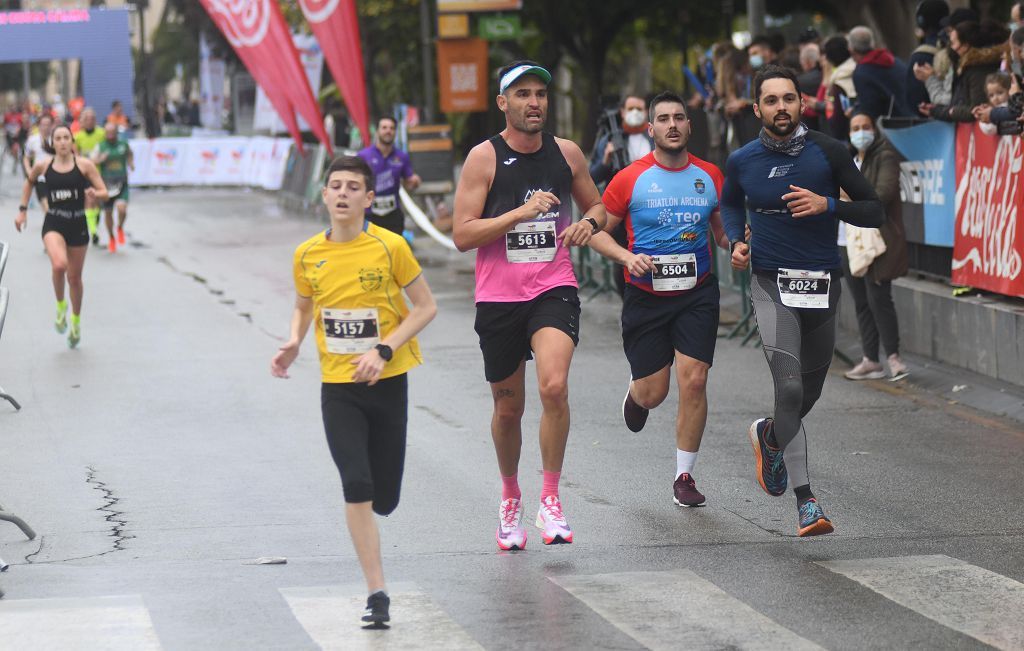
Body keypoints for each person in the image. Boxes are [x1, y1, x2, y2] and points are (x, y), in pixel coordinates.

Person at [270, 155, 437, 629]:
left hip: (388, 383)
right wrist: (292, 340)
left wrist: (384, 349)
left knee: (384, 497)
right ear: (323, 195)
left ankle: (379, 538)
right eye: (334, 186)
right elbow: (304, 307)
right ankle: (377, 592)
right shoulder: (307, 254)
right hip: (338, 389)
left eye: (352, 187)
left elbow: (425, 308)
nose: (342, 194)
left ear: (368, 198)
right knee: (357, 484)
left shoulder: (390, 248)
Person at [721, 65, 884, 537]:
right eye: (770, 101)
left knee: (807, 394)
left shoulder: (828, 152)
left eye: (788, 99)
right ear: (757, 109)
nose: (781, 108)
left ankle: (770, 435)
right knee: (789, 389)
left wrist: (827, 204)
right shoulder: (742, 160)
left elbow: (874, 210)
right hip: (771, 283)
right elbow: (732, 203)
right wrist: (736, 240)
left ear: (801, 104)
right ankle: (806, 502)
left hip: (821, 283)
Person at [452, 60, 607, 550]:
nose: (534, 102)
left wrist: (592, 225)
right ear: (503, 103)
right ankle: (510, 497)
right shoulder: (484, 157)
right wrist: (519, 212)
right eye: (522, 94)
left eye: (540, 93)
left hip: (552, 286)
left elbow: (598, 206)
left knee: (555, 387)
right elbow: (461, 234)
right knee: (508, 409)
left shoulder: (567, 154)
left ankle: (551, 500)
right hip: (498, 296)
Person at [588, 91, 729, 507]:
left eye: (679, 118)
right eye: (663, 118)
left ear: (689, 126)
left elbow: (723, 233)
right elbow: (597, 231)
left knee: (696, 378)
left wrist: (738, 245)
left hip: (697, 292)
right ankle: (637, 392)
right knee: (655, 394)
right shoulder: (630, 178)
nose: (672, 124)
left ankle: (684, 475)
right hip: (646, 296)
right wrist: (626, 257)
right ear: (649, 129)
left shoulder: (710, 176)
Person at [15, 124, 109, 348]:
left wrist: (95, 194)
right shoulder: (43, 166)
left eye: (67, 137)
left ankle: (75, 321)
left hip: (77, 223)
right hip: (54, 221)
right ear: (53, 143)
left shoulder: (84, 165)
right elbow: (29, 183)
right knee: (59, 265)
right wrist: (22, 211)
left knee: (75, 279)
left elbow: (104, 191)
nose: (63, 142)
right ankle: (60, 305)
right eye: (58, 138)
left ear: (72, 142)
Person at [841, 111, 909, 381]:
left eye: (866, 126)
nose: (861, 132)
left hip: (877, 239)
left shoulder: (885, 155)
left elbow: (883, 194)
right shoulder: (849, 160)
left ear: (874, 130)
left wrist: (845, 194)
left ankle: (894, 358)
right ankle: (871, 359)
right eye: (855, 127)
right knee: (861, 301)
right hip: (847, 240)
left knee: (879, 298)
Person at [590, 94, 655, 296]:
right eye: (630, 109)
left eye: (640, 108)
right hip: (621, 214)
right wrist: (606, 161)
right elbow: (591, 176)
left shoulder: (654, 137)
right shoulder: (610, 139)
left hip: (652, 208)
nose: (635, 113)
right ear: (622, 112)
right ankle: (628, 301)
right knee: (623, 263)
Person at [924, 20, 1011, 122]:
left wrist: (953, 112)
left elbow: (977, 109)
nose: (950, 47)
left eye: (952, 43)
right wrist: (936, 111)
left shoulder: (977, 69)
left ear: (965, 45)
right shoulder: (965, 67)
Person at [356, 117, 421, 236]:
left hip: (392, 214)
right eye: (384, 127)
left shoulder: (402, 157)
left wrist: (414, 182)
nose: (388, 131)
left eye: (392, 128)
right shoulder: (363, 156)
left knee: (393, 251)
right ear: (377, 131)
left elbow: (409, 182)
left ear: (395, 132)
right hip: (369, 214)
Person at [848, 26, 914, 120]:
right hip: (913, 118)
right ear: (872, 43)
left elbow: (870, 108)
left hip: (892, 126)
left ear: (851, 49)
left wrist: (856, 112)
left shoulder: (861, 73)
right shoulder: (895, 61)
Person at [92, 123, 134, 252]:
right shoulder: (101, 146)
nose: (109, 135)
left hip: (121, 183)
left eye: (112, 132)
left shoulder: (123, 144)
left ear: (116, 132)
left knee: (122, 209)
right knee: (108, 212)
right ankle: (111, 237)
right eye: (107, 132)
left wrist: (131, 163)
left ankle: (120, 227)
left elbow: (129, 154)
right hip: (107, 184)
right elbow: (93, 161)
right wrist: (100, 159)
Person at [907, 0, 950, 116]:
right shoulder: (959, 46)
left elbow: (915, 101)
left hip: (933, 123)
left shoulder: (921, 55)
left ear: (921, 21)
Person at [72, 108, 106, 246]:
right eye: (86, 119)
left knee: (97, 200)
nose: (89, 121)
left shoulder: (102, 133)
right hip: (85, 174)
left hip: (100, 173)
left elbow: (106, 151)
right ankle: (93, 232)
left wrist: (100, 160)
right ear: (82, 121)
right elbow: (76, 155)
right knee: (89, 199)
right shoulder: (78, 136)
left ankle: (96, 217)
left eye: (92, 118)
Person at [22, 114, 54, 214]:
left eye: (48, 124)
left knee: (54, 203)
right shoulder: (32, 140)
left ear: (52, 125)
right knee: (45, 204)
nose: (46, 127)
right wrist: (29, 170)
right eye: (43, 124)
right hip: (40, 177)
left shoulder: (56, 139)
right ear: (39, 126)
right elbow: (26, 157)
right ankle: (50, 223)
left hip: (55, 175)